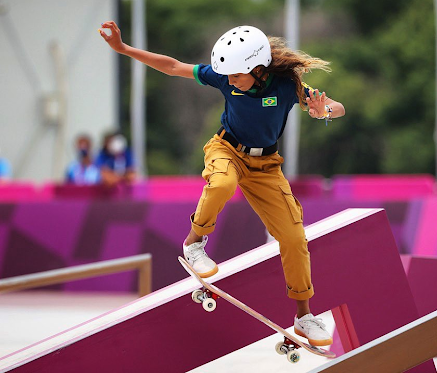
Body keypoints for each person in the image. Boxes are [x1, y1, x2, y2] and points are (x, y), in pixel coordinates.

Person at [100, 21, 345, 346]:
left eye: (237, 76)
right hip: (226, 149)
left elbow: (336, 107)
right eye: (227, 76)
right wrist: (123, 49)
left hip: (266, 167)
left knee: (294, 237)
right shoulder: (224, 75)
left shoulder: (287, 85)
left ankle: (304, 316)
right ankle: (194, 243)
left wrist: (322, 111)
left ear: (258, 68)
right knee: (221, 185)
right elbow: (173, 67)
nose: (230, 81)